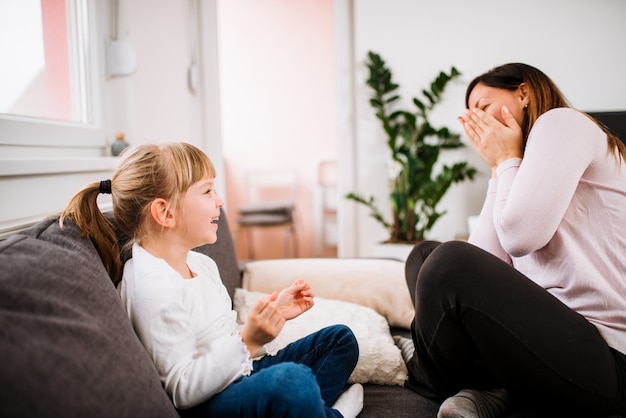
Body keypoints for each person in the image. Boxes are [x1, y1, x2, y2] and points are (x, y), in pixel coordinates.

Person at [59, 142, 364, 418]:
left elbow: (225, 338)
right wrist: (250, 339)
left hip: (241, 373)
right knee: (291, 381)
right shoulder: (151, 288)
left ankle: (311, 411)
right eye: (207, 191)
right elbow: (181, 390)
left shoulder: (202, 264)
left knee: (341, 339)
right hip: (208, 403)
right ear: (165, 213)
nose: (219, 201)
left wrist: (274, 314)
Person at [402, 63, 626, 417]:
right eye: (470, 116)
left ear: (523, 93)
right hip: (542, 347)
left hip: (606, 358)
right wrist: (500, 168)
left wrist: (506, 160)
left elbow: (520, 237)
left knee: (447, 263)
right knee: (427, 256)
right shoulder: (526, 160)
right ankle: (491, 388)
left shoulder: (562, 123)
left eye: (484, 107)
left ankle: (424, 368)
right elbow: (486, 257)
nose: (478, 123)